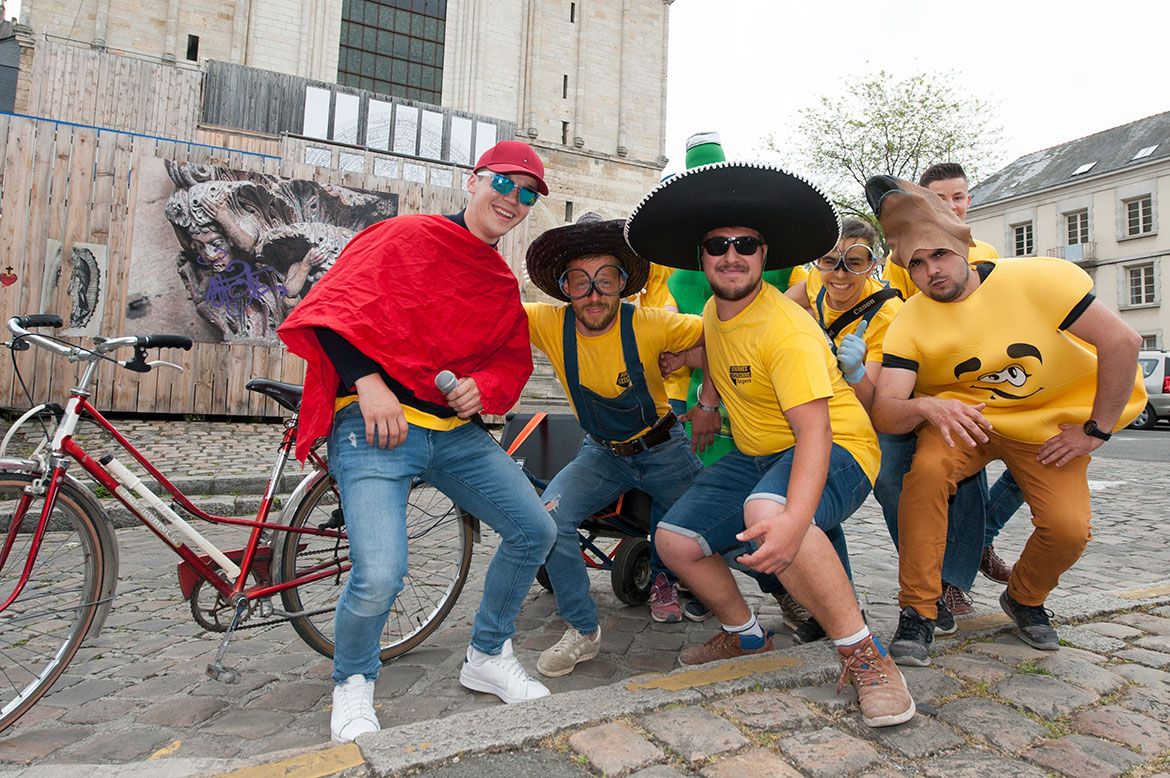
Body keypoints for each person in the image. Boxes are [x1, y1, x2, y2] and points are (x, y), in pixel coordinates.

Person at [278, 140, 558, 742]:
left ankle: (487, 656)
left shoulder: (499, 282)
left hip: (454, 435)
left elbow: (508, 364)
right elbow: (329, 311)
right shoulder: (404, 236)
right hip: (378, 426)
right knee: (380, 572)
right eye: (503, 184)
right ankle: (353, 685)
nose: (513, 199)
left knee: (535, 528)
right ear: (472, 182)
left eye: (527, 193)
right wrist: (368, 383)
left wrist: (480, 389)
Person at [626, 161, 915, 729]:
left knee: (772, 512)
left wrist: (792, 520)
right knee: (674, 540)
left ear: (764, 255)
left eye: (746, 245)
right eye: (718, 245)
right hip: (759, 449)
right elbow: (716, 342)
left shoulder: (786, 329)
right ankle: (747, 636)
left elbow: (817, 431)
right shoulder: (715, 307)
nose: (731, 255)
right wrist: (703, 392)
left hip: (843, 445)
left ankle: (867, 658)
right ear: (701, 256)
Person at [866, 175, 1147, 666]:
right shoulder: (909, 320)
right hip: (966, 424)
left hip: (1047, 425)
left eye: (939, 255)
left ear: (963, 246)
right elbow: (887, 412)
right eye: (917, 263)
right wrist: (926, 406)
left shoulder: (1038, 280)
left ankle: (1024, 598)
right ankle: (918, 610)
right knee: (925, 475)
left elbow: (1122, 343)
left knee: (1068, 529)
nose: (931, 271)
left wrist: (1096, 429)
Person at [522, 214, 716, 669]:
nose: (593, 294)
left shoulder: (653, 324)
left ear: (624, 283)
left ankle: (789, 596)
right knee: (550, 518)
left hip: (666, 450)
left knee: (723, 530)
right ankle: (582, 629)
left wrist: (706, 398)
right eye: (580, 281)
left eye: (605, 280)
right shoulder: (548, 323)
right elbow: (478, 305)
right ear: (563, 286)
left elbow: (725, 337)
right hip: (602, 454)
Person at [881, 162, 1022, 618]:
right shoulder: (902, 257)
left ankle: (960, 568)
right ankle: (933, 571)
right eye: (939, 198)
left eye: (958, 197)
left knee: (991, 473)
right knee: (899, 483)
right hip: (919, 380)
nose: (951, 205)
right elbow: (910, 316)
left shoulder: (987, 252)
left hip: (982, 383)